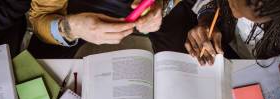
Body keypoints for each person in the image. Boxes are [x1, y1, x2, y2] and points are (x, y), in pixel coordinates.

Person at [27, 0, 189, 59]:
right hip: (76, 13)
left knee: (183, 69)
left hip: (153, 7)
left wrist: (163, 5)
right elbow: (41, 17)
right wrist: (71, 28)